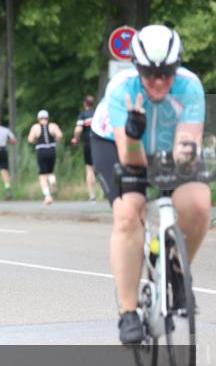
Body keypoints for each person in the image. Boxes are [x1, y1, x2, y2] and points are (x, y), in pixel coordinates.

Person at [89, 25, 208, 344]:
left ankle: (177, 272)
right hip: (117, 145)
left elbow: (186, 148)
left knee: (197, 203)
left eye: (167, 73)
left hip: (169, 146)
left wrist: (184, 161)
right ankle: (128, 312)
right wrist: (133, 132)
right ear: (137, 68)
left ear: (177, 68)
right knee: (130, 213)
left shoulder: (190, 87)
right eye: (150, 73)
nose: (159, 81)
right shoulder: (121, 89)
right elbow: (131, 162)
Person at [27, 110, 64, 205]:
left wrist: (36, 141)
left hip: (41, 150)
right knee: (50, 171)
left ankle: (47, 196)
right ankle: (53, 181)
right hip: (52, 149)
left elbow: (30, 139)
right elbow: (60, 135)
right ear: (47, 118)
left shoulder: (35, 127)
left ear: (39, 118)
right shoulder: (53, 126)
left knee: (42, 175)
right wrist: (55, 140)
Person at [71, 94, 99, 202]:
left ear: (85, 104)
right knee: (101, 167)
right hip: (99, 143)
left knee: (89, 169)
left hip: (88, 143)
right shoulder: (97, 114)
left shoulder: (82, 115)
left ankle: (92, 196)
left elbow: (78, 130)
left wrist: (75, 139)